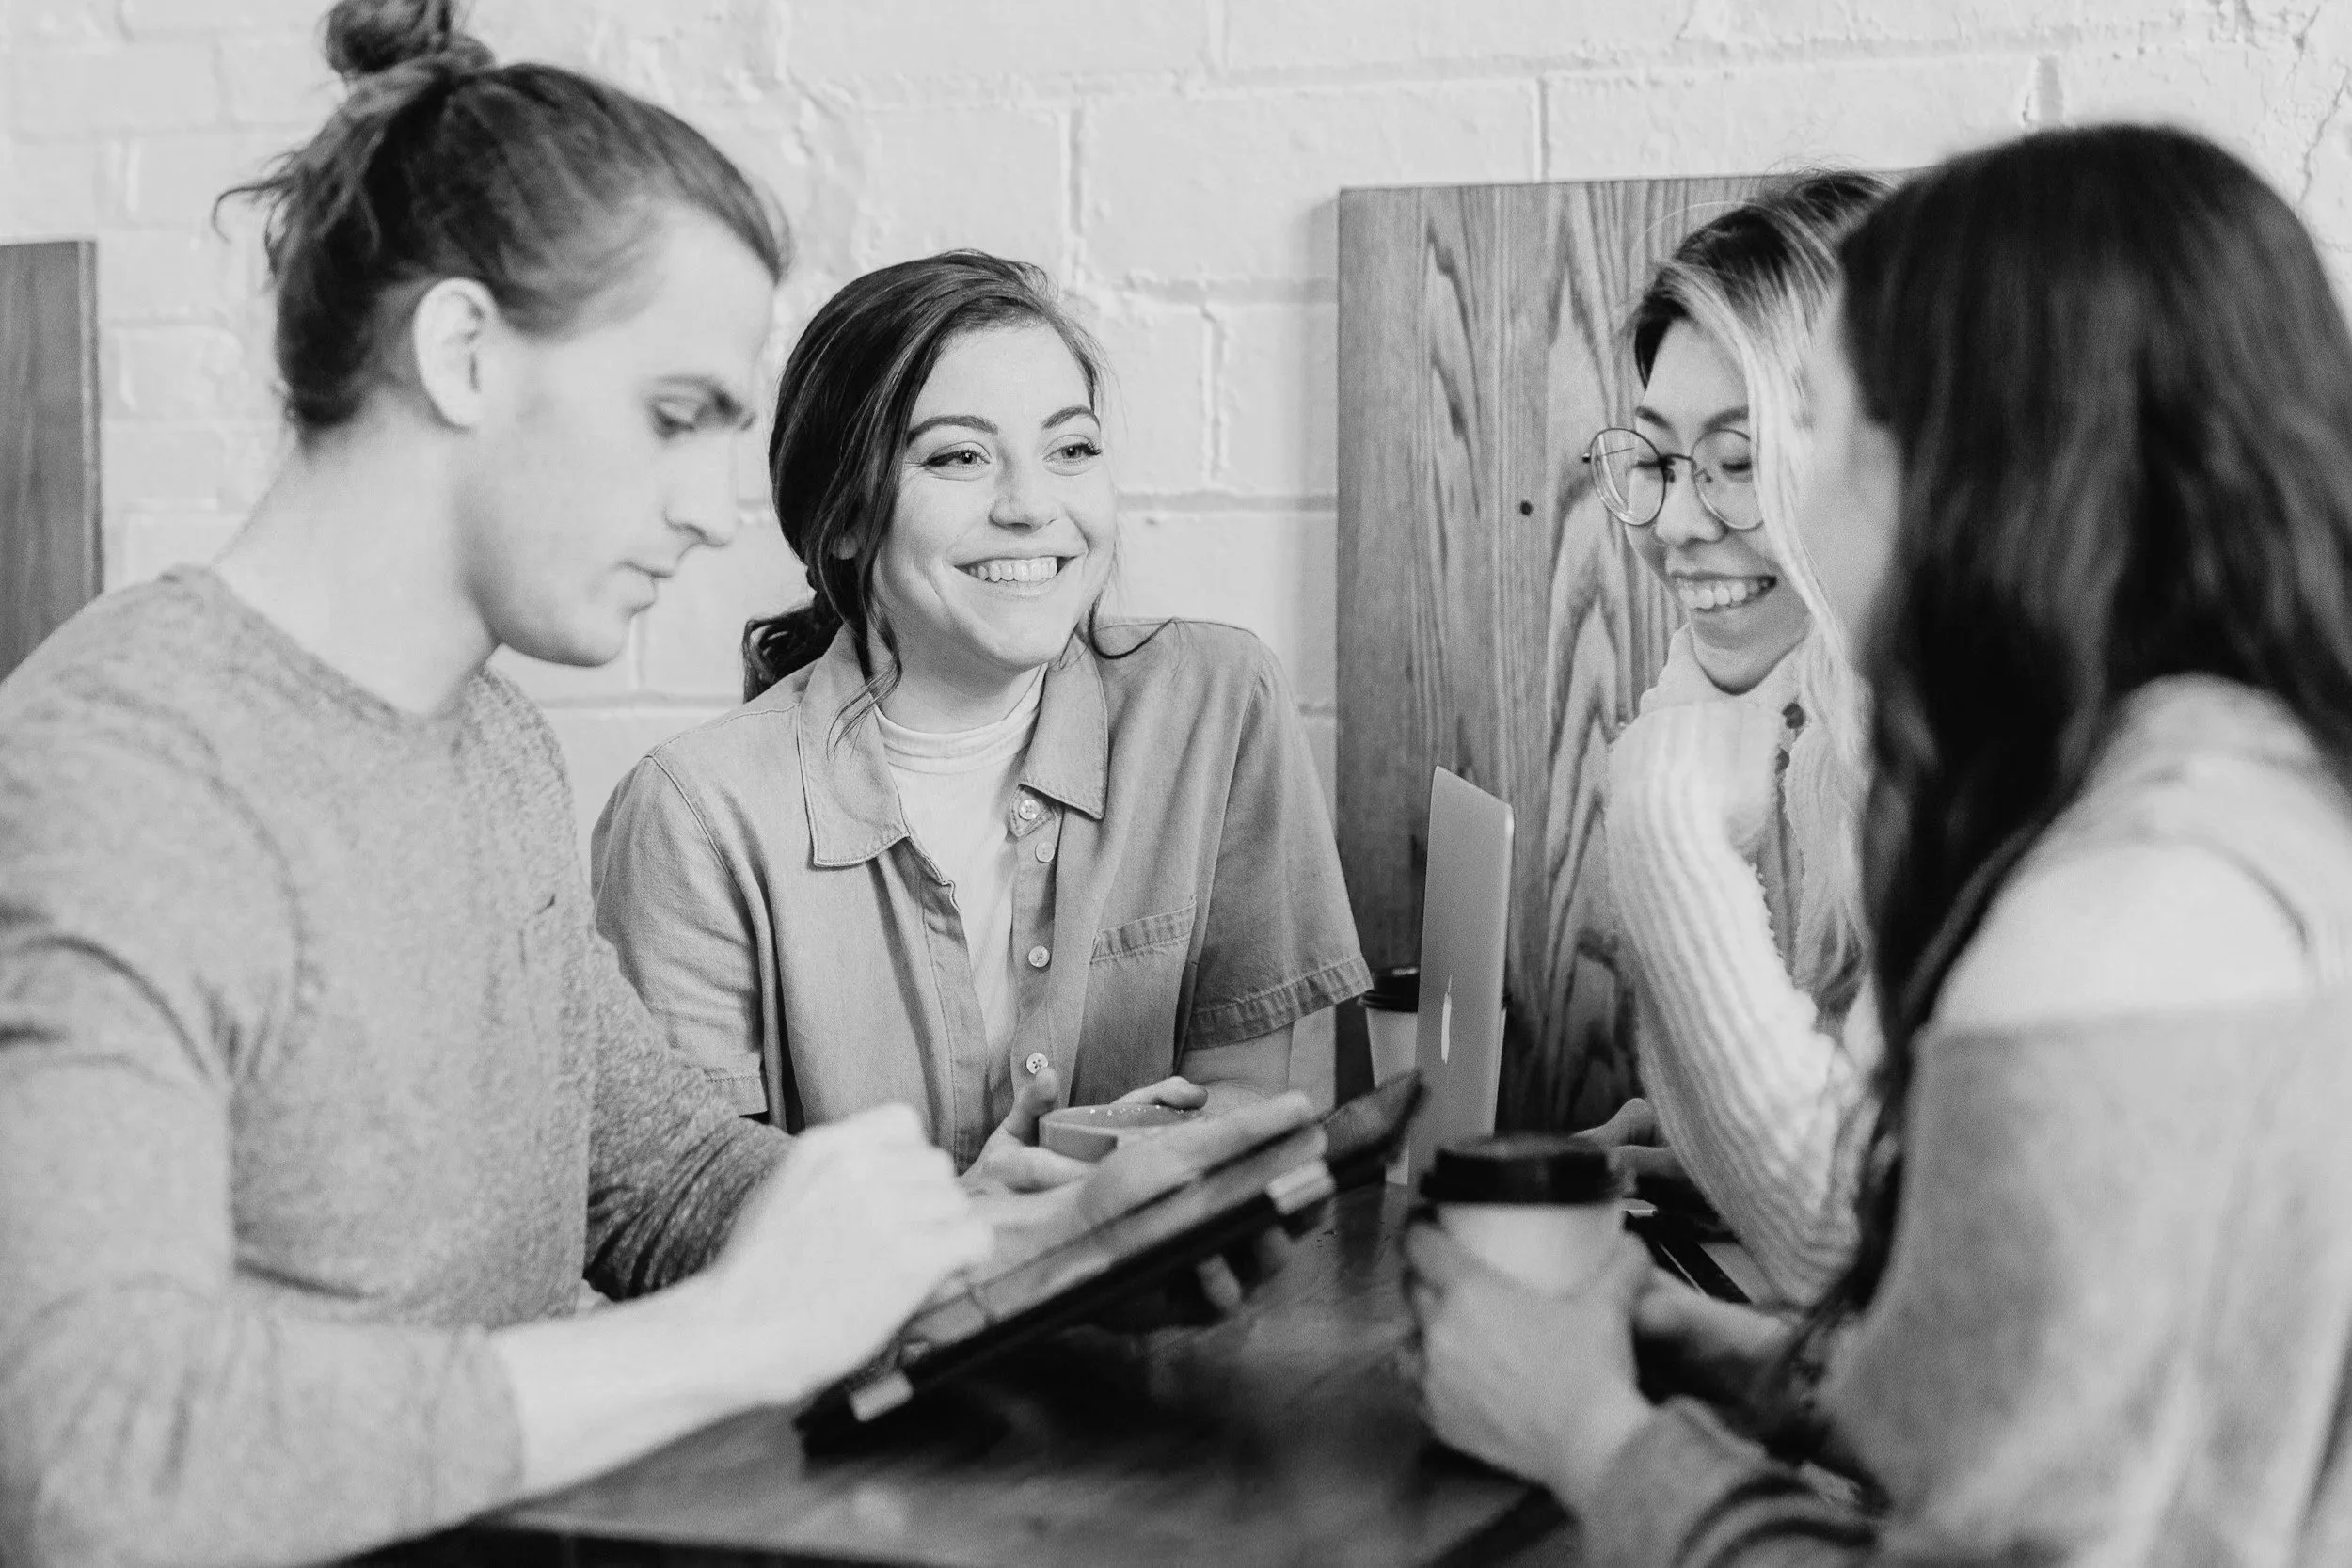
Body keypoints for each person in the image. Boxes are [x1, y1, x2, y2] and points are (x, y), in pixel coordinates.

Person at [0, 6, 1315, 1564]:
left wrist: (1031, 1250)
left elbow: (670, 1176)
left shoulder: (487, 744)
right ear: (464, 352)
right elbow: (88, 1452)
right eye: (676, 416)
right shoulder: (117, 771)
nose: (713, 509)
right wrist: (733, 1337)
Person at [1408, 123, 2352, 1560]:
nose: (1792, 494)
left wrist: (1584, 1427)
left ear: (1982, 467)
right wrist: (1749, 1366)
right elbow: (2093, 1417)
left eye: (1825, 428)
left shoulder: (2115, 917)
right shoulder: (2256, 802)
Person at [591, 250, 1371, 1180]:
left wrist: (1133, 1156)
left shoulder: (1214, 701)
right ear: (841, 516)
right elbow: (687, 1211)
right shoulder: (693, 814)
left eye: (1070, 449)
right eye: (957, 456)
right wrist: (984, 1220)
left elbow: (1247, 1095)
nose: (1033, 505)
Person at [1582, 172, 1884, 1303]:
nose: (1673, 520)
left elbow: (1845, 1252)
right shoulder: (1760, 711)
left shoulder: (1965, 755)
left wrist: (1660, 820)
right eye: (1656, 459)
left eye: (1740, 458)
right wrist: (1714, 1147)